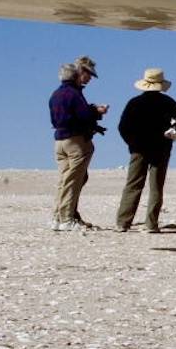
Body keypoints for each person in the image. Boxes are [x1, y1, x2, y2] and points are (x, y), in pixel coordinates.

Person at [115, 68, 176, 234]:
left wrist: (132, 144)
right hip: (161, 147)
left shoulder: (134, 103)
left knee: (133, 185)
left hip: (139, 148)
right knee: (156, 186)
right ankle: (151, 223)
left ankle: (123, 222)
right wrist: (174, 130)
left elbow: (122, 127)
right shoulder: (167, 102)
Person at [50, 56, 107, 232]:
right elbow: (83, 116)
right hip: (75, 141)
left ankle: (58, 217)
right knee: (73, 180)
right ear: (78, 73)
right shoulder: (74, 94)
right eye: (87, 73)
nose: (89, 78)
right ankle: (66, 218)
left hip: (59, 140)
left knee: (65, 180)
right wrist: (96, 112)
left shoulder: (55, 94)